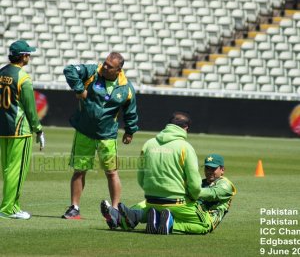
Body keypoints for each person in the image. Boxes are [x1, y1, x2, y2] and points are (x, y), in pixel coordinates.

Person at [101, 111, 213, 234]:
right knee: (205, 225)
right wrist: (194, 197)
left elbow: (141, 177)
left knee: (142, 209)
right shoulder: (185, 147)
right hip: (177, 203)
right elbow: (195, 185)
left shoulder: (149, 144)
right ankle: (168, 224)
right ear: (186, 128)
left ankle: (125, 217)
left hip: (151, 200)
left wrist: (152, 190)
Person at [62, 52, 138, 220]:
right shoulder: (92, 72)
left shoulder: (126, 88)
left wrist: (130, 131)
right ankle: (74, 208)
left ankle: (116, 209)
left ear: (118, 70)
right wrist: (80, 89)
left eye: (109, 66)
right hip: (84, 132)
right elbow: (69, 70)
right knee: (79, 171)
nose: (104, 67)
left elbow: (130, 111)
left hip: (107, 136)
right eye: (104, 63)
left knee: (111, 172)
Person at [101, 152, 236, 234]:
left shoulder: (225, 185)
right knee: (158, 201)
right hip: (191, 211)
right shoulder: (201, 181)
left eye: (213, 169)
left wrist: (188, 190)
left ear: (222, 170)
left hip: (207, 216)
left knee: (205, 226)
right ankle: (126, 217)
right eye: (207, 168)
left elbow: (211, 194)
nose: (209, 171)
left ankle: (159, 221)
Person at [0, 39, 45, 220]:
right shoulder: (23, 78)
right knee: (17, 171)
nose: (29, 57)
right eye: (28, 54)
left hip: (2, 128)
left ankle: (12, 205)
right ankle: (8, 208)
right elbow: (30, 109)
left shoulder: (1, 72)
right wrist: (39, 130)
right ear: (23, 56)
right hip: (20, 130)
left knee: (7, 169)